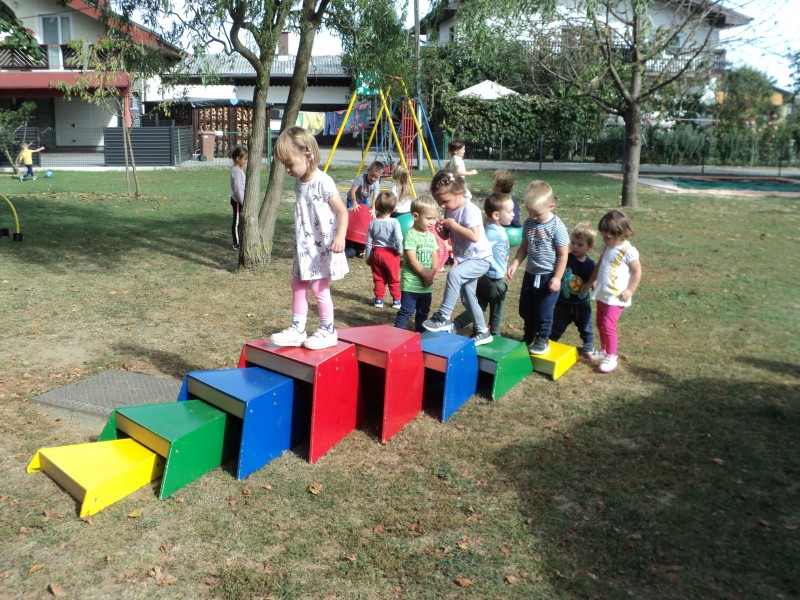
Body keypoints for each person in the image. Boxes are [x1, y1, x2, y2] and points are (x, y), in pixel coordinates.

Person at [269, 126, 349, 351]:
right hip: (304, 247)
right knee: (297, 283)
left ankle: (328, 330)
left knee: (320, 289)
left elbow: (342, 211)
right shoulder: (299, 182)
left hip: (322, 248)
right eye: (285, 165)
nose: (287, 169)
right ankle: (298, 328)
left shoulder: (323, 181)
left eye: (290, 164)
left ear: (307, 155)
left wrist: (340, 236)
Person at [421, 170, 494, 346]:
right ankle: (483, 331)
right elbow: (450, 236)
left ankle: (444, 316)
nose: (443, 205)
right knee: (468, 297)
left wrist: (453, 225)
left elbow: (474, 236)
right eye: (439, 202)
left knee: (453, 274)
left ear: (459, 193)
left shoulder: (470, 210)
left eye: (445, 201)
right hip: (467, 260)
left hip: (480, 258)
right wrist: (443, 231)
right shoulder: (450, 210)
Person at [506, 180, 570, 355]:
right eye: (530, 212)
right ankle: (529, 335)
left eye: (537, 214)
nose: (533, 217)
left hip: (549, 276)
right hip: (531, 274)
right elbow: (524, 247)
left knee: (544, 310)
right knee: (526, 309)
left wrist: (557, 277)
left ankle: (543, 338)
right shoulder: (529, 223)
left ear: (551, 206)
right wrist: (515, 263)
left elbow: (563, 255)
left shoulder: (557, 227)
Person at [581, 210, 642, 374]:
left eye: (607, 237)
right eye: (603, 237)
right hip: (603, 294)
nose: (604, 240)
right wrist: (590, 282)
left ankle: (611, 356)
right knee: (600, 324)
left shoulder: (628, 251)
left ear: (621, 233)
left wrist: (630, 290)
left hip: (616, 297)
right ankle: (604, 349)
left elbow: (637, 272)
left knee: (608, 325)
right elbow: (599, 265)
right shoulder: (607, 246)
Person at [452, 192, 514, 337]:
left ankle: (458, 325)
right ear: (496, 215)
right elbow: (480, 248)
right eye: (510, 211)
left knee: (478, 306)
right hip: (492, 280)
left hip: (487, 278)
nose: (513, 214)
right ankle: (494, 334)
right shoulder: (493, 232)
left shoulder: (495, 228)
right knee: (497, 307)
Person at [550, 222, 597, 358]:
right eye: (573, 243)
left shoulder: (590, 264)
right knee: (556, 326)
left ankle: (588, 347)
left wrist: (596, 293)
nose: (575, 247)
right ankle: (549, 342)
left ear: (589, 246)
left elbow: (593, 280)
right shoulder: (566, 259)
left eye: (580, 244)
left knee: (586, 327)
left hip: (582, 304)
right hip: (562, 303)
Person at [394, 195, 440, 332]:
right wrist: (424, 275)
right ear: (415, 216)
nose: (432, 222)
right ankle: (397, 335)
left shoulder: (431, 236)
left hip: (426, 285)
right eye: (429, 218)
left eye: (434, 218)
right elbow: (411, 259)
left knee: (423, 312)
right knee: (407, 311)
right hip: (411, 284)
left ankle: (421, 335)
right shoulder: (410, 235)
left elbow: (435, 256)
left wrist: (432, 272)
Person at [365, 191, 403, 309]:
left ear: (376, 206)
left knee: (378, 278)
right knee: (393, 278)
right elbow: (398, 238)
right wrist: (400, 250)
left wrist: (368, 257)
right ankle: (396, 300)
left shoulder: (372, 223)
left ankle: (379, 300)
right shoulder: (394, 222)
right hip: (391, 254)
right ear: (394, 208)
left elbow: (369, 242)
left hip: (376, 253)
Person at [229, 145, 247, 249]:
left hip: (239, 200)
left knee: (240, 221)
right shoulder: (236, 171)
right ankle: (236, 243)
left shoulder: (239, 170)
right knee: (236, 222)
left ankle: (240, 239)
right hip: (237, 201)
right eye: (244, 159)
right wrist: (242, 202)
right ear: (238, 158)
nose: (245, 161)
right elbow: (238, 189)